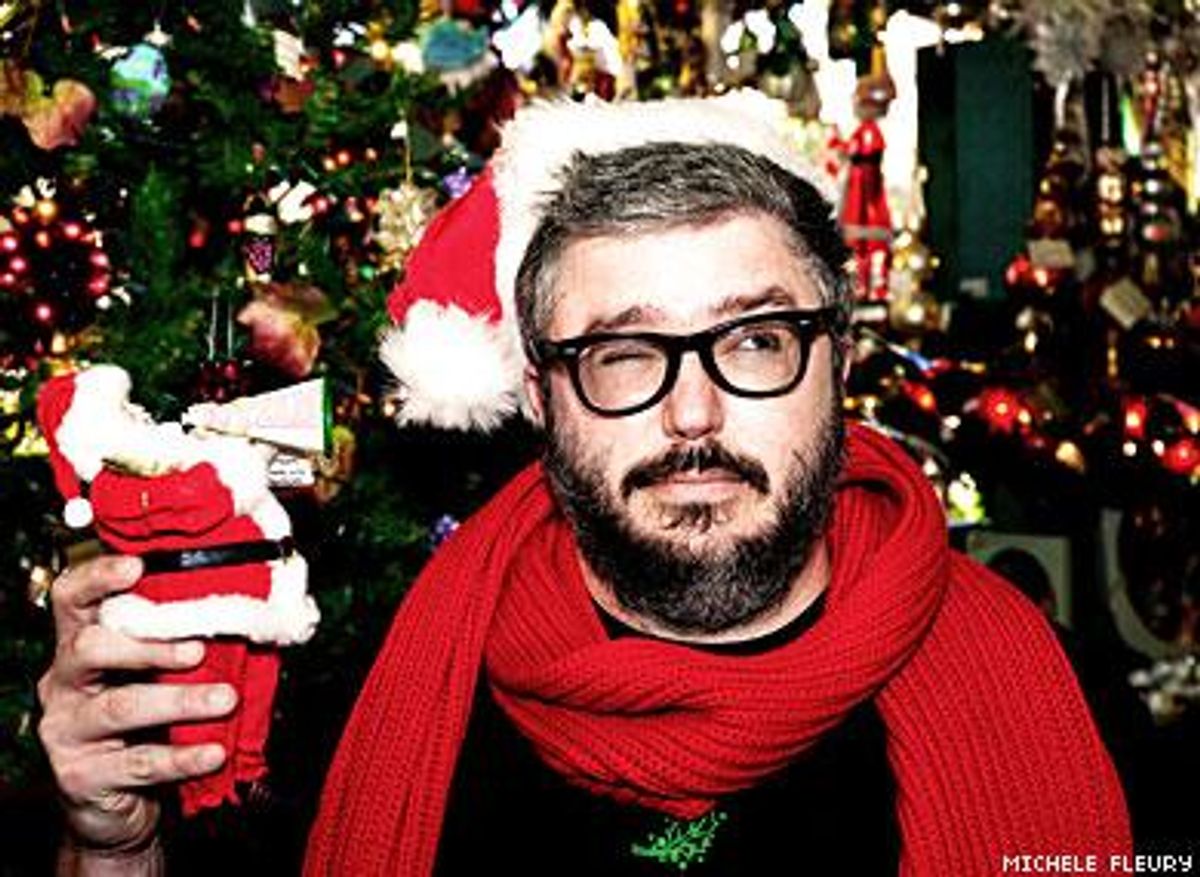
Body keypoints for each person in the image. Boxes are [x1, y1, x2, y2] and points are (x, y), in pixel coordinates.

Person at [38, 94, 1131, 876]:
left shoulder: (1067, 705)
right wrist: (114, 846)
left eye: (754, 341)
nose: (693, 413)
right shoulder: (356, 713)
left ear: (837, 359)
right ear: (539, 391)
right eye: (622, 353)